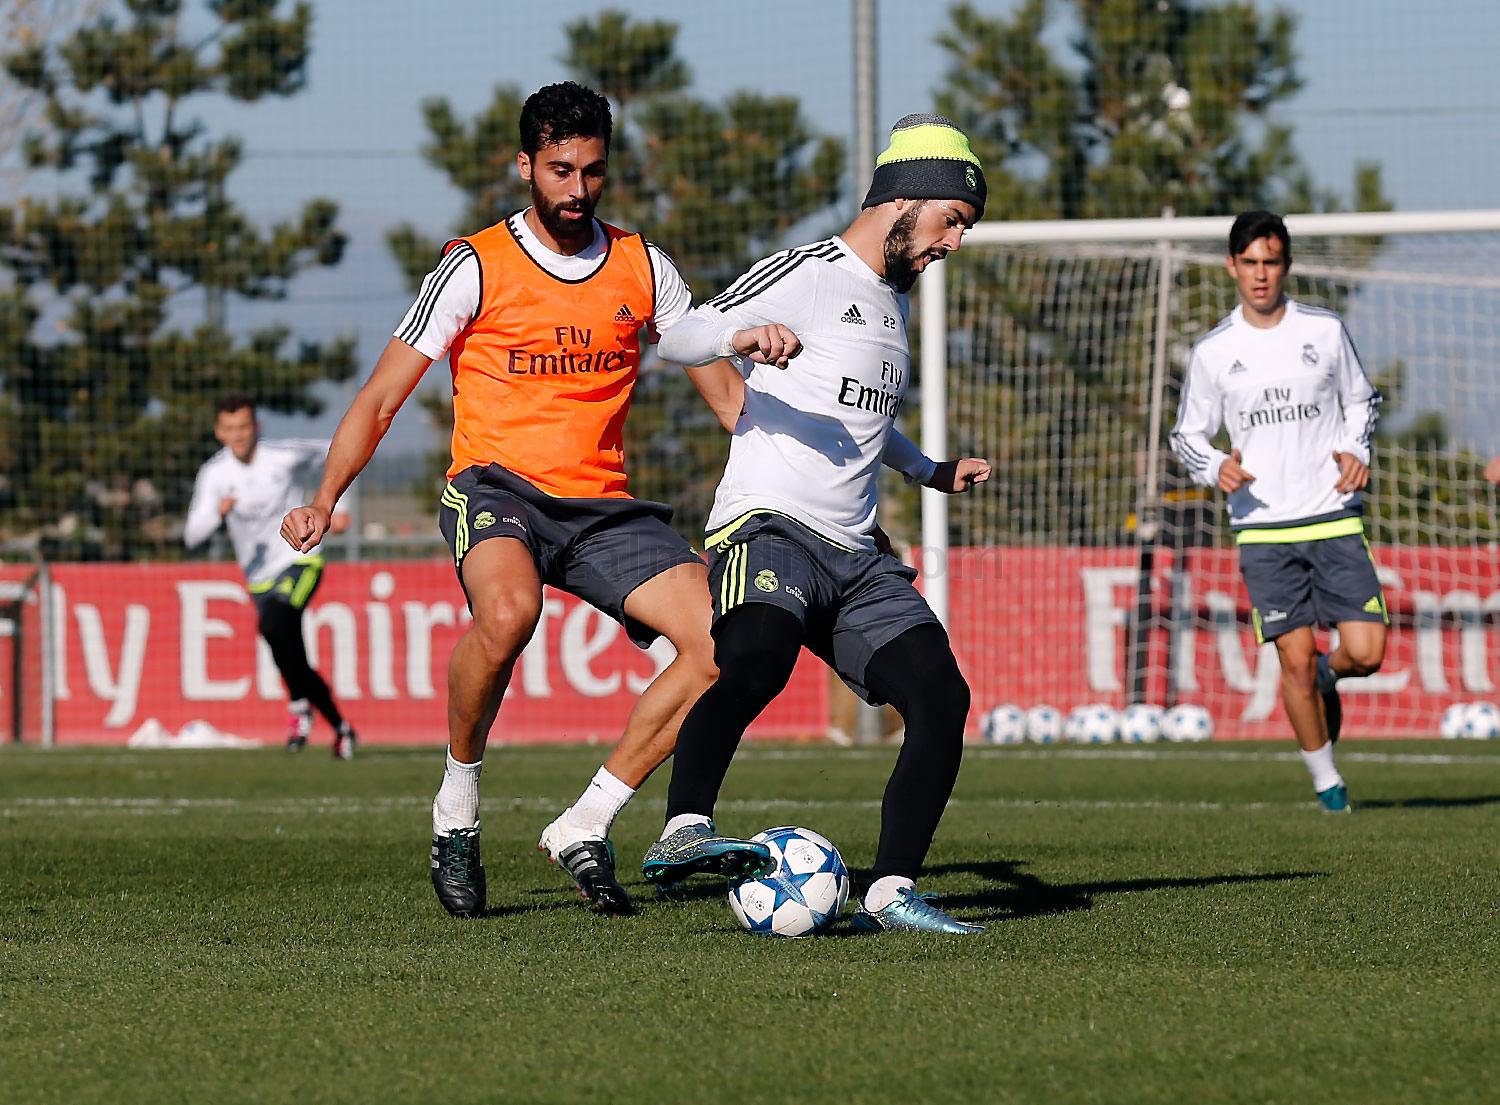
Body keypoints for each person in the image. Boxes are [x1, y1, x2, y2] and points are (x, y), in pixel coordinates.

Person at [280, 82, 736, 919]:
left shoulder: (642, 265)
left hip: (601, 507)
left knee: (723, 644)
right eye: (559, 169)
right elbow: (383, 396)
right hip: (495, 488)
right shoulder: (475, 265)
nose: (576, 189)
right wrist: (325, 497)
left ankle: (586, 821)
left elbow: (731, 401)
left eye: (592, 172)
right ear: (525, 165)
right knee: (509, 611)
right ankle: (457, 805)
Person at [642, 113, 994, 935]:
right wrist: (739, 333)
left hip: (856, 550)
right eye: (953, 221)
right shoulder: (808, 270)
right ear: (905, 201)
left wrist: (930, 470)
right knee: (757, 658)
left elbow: (868, 420)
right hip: (769, 525)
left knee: (941, 698)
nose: (953, 243)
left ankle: (891, 889)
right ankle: (683, 827)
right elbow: (679, 335)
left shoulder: (891, 307)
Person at [1170, 209, 1386, 813]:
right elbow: (1187, 435)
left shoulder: (1323, 331)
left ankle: (1328, 677)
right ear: (1232, 267)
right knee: (1292, 656)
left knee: (1367, 652)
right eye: (1250, 263)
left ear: (1285, 266)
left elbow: (1360, 400)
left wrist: (1357, 449)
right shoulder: (1215, 351)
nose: (1261, 274)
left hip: (1333, 515)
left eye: (1271, 262)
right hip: (1262, 527)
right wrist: (1216, 468)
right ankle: (1328, 786)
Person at [185, 395, 357, 759]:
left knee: (274, 624)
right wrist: (218, 514)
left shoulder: (281, 456)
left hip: (299, 559)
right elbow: (192, 535)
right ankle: (340, 728)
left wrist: (336, 507)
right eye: (230, 429)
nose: (238, 435)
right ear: (219, 432)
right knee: (289, 653)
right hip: (258, 578)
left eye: (244, 427)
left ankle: (298, 706)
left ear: (256, 427)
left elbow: (338, 448)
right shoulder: (214, 474)